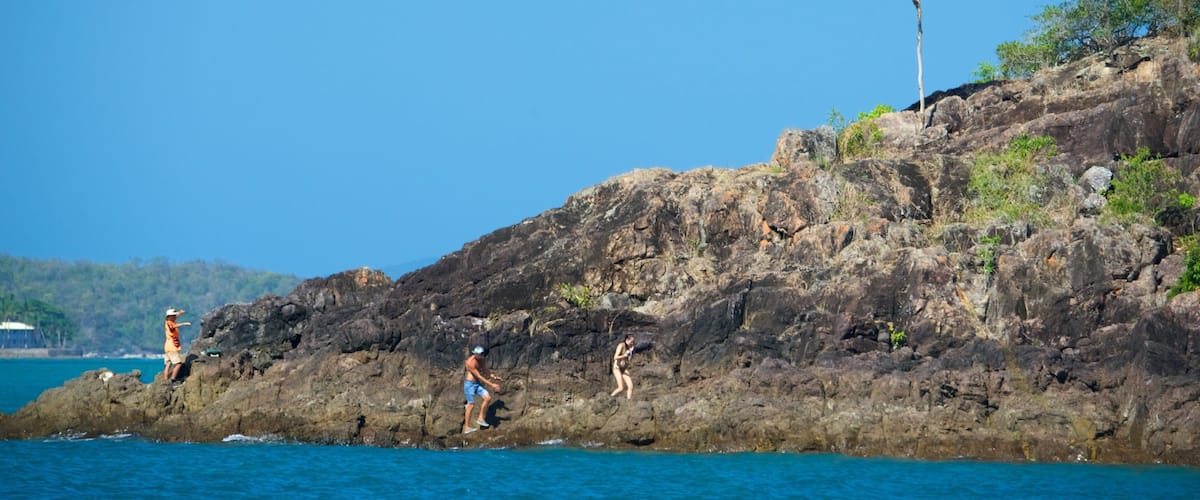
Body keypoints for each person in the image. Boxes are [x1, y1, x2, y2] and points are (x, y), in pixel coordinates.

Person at [463, 345, 502, 434]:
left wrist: (493, 376)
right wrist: (492, 385)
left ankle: (481, 418)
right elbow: (479, 376)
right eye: (476, 354)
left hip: (477, 384)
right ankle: (467, 427)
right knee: (471, 405)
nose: (478, 356)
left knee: (487, 398)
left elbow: (484, 369)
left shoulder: (482, 359)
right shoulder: (470, 362)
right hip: (469, 385)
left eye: (480, 354)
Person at [163, 308, 191, 384]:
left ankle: (165, 380)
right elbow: (174, 326)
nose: (175, 317)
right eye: (173, 316)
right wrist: (184, 324)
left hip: (167, 346)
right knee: (178, 364)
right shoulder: (170, 323)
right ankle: (173, 379)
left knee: (168, 363)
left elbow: (174, 318)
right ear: (169, 316)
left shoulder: (168, 321)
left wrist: (180, 313)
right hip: (172, 347)